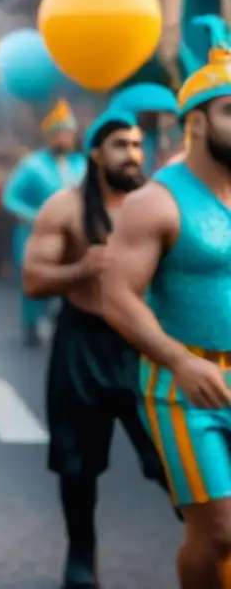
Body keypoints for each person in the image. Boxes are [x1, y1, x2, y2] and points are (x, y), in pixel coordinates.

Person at [102, 41, 231, 589]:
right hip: (185, 387)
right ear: (197, 122)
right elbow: (118, 296)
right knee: (221, 532)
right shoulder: (155, 201)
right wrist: (179, 361)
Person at [23, 109, 166, 589]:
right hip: (84, 341)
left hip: (146, 344)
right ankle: (81, 553)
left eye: (138, 145)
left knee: (171, 456)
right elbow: (34, 279)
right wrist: (81, 269)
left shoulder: (160, 204)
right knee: (77, 465)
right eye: (121, 146)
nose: (133, 155)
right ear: (95, 153)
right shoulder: (63, 208)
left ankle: (210, 541)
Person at [3, 98, 87, 346]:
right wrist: (33, 216)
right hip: (33, 233)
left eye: (67, 133)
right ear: (49, 136)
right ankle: (31, 323)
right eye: (58, 133)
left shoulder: (82, 164)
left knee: (70, 280)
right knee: (34, 281)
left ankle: (63, 321)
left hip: (72, 234)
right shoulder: (32, 165)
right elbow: (10, 197)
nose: (63, 138)